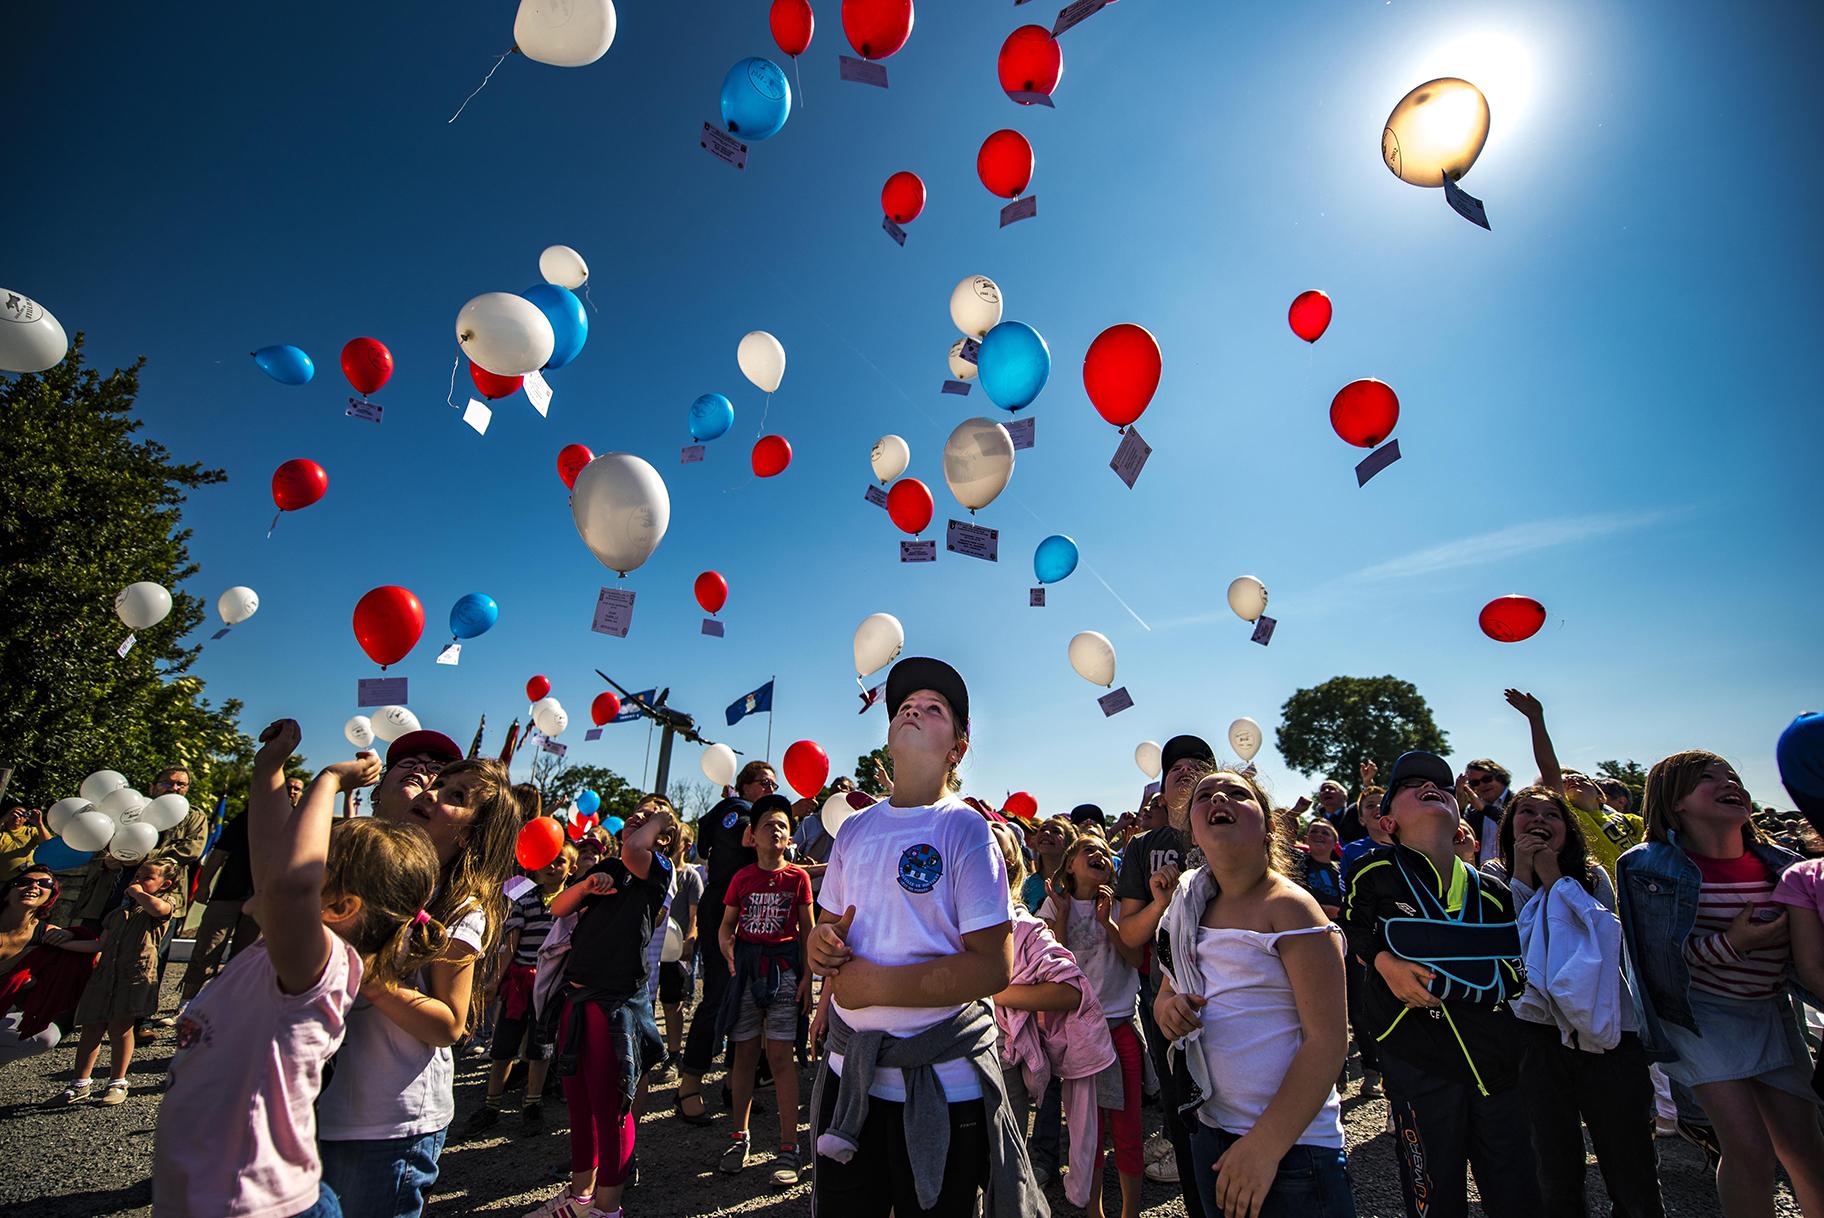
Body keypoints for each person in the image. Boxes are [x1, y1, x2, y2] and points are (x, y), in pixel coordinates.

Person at [153, 719, 446, 1218]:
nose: (422, 774)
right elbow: (275, 861)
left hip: (359, 1131)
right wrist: (269, 767)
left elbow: (286, 884)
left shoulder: (323, 952)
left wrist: (327, 780)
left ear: (336, 903)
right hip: (295, 1138)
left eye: (438, 776)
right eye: (409, 767)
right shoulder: (324, 901)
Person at [807, 657, 1042, 1218]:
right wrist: (819, 947)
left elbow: (992, 968)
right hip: (850, 1082)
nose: (914, 708)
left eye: (934, 708)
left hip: (942, 1085)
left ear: (957, 747)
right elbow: (825, 931)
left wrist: (875, 984)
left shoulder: (963, 827)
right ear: (888, 736)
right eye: (905, 706)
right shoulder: (855, 829)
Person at [316, 732, 521, 1218]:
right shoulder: (364, 871)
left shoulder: (461, 909)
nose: (432, 792)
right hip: (314, 1107)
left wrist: (367, 977)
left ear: (471, 834)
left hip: (388, 1122)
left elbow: (450, 1023)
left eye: (456, 797)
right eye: (437, 783)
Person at [1616, 751, 1824, 1218]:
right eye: (1707, 778)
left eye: (1732, 775)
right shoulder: (1648, 868)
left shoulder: (1784, 866)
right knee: (1750, 1148)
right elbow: (1653, 963)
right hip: (1699, 1017)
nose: (1730, 782)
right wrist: (1733, 943)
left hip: (1770, 1010)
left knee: (1806, 1147)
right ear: (1676, 803)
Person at [1340, 750, 1538, 1218]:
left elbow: (1516, 966)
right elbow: (1351, 929)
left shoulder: (1493, 890)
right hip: (1417, 1051)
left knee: (1517, 1188)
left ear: (1460, 820)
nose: (1430, 787)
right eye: (1409, 785)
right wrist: (1385, 961)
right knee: (1434, 1189)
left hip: (1496, 1058)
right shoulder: (1375, 872)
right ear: (1388, 823)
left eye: (1443, 787)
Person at [1154, 768, 1353, 1218]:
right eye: (1205, 795)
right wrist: (1169, 1010)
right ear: (1193, 832)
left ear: (1268, 827)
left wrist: (1264, 1147)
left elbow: (1328, 1040)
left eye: (1237, 793)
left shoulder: (1288, 906)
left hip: (1292, 1148)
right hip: (1212, 1130)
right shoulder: (1188, 906)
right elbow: (1166, 990)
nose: (1218, 797)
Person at [1484, 785, 1664, 1218]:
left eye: (1553, 815)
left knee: (1628, 1155)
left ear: (1569, 829)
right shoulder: (1490, 875)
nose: (1540, 821)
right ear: (1510, 826)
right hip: (1535, 1034)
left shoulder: (1592, 875)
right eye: (1527, 812)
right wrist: (1523, 875)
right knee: (1552, 1159)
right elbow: (1509, 941)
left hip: (1607, 1029)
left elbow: (1599, 934)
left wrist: (1552, 876)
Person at [521, 799, 675, 1218]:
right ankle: (580, 1197)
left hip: (613, 1005)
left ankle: (607, 1209)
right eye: (636, 815)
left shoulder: (656, 870)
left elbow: (635, 850)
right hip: (576, 998)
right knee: (579, 1103)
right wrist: (587, 886)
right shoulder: (604, 867)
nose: (638, 820)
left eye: (649, 819)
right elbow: (558, 907)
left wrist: (663, 818)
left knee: (612, 1108)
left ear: (662, 837)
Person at [985, 820, 1115, 1211]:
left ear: (1009, 863)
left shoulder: (1024, 929)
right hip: (938, 1061)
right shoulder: (937, 922)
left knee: (999, 1172)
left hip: (1002, 1064)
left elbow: (1071, 989)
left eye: (991, 843)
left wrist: (994, 990)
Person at [1115, 732, 1215, 1206]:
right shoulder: (1142, 848)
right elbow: (1130, 936)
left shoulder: (1232, 828)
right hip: (1167, 1003)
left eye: (1198, 762)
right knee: (1185, 1119)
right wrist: (1160, 904)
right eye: (1175, 763)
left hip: (1233, 998)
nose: (1185, 767)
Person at [1040, 833, 1146, 1218]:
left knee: (1128, 1127)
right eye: (1089, 850)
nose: (1099, 854)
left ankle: (1131, 1211)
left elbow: (1136, 959)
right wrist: (1064, 917)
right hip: (1081, 1034)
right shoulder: (1053, 908)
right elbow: (1053, 970)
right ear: (1070, 864)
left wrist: (1108, 923)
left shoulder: (1120, 906)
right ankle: (1094, 1211)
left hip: (1119, 1028)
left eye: (1105, 851)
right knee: (1088, 1132)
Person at [715, 793, 814, 1184]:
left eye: (783, 826)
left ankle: (789, 1146)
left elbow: (808, 932)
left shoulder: (798, 877)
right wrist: (726, 942)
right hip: (746, 973)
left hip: (785, 973)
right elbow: (726, 924)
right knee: (744, 1056)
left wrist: (808, 979)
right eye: (768, 824)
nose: (776, 829)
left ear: (790, 837)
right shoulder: (741, 879)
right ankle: (739, 1137)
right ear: (751, 835)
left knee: (779, 1057)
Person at [676, 760, 772, 1124]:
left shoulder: (744, 810)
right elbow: (750, 838)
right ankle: (688, 1086)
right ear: (744, 786)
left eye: (772, 785)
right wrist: (789, 814)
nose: (769, 789)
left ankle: (734, 1085)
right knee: (716, 999)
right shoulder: (736, 812)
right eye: (764, 783)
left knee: (747, 1001)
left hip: (751, 912)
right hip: (726, 912)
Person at [466, 842, 577, 1134]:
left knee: (540, 1048)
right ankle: (491, 1105)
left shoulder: (572, 904)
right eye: (548, 861)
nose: (553, 867)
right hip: (519, 983)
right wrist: (495, 980)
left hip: (551, 986)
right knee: (503, 1045)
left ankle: (532, 1105)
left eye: (560, 862)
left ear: (572, 869)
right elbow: (510, 943)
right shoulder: (525, 899)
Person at [54, 856, 180, 1106]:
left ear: (164, 884)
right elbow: (100, 943)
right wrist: (64, 942)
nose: (138, 881)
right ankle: (79, 1082)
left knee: (121, 1029)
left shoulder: (165, 903)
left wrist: (137, 892)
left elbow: (158, 910)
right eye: (136, 876)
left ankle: (117, 1082)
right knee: (92, 1026)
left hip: (134, 975)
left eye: (147, 878)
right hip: (105, 975)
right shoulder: (117, 912)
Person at [1504, 691, 1643, 873]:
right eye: (1563, 778)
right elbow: (1548, 767)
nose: (1571, 778)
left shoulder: (1629, 820)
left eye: (1580, 776)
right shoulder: (1572, 816)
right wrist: (1536, 719)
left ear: (1600, 796)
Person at [0, 865, 94, 1064]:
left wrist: (73, 934)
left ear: (50, 897)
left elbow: (98, 949)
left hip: (4, 1008)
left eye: (44, 884)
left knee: (45, 1036)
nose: (33, 886)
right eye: (24, 882)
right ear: (7, 893)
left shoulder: (48, 934)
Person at [656, 821, 702, 1076]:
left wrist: (689, 941)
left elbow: (695, 916)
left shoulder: (690, 877)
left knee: (672, 1003)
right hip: (652, 948)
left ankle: (674, 1055)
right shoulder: (657, 871)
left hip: (675, 950)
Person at [1457, 759, 1514, 866]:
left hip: (1512, 870)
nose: (1482, 785)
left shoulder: (1517, 801)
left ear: (1500, 777)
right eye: (1475, 783)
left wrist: (1485, 809)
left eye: (1487, 779)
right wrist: (1459, 807)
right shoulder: (1472, 811)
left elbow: (1513, 823)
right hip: (1483, 873)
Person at [1021, 816, 1077, 915]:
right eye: (1042, 829)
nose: (1046, 833)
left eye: (1056, 831)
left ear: (1069, 844)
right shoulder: (1026, 885)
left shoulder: (1077, 884)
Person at [1292, 819, 1343, 918]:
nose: (1319, 835)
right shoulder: (1295, 861)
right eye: (1313, 831)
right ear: (1306, 839)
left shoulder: (1343, 870)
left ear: (1335, 844)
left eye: (1325, 833)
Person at [0, 799, 49, 881]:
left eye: (22, 815)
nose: (17, 817)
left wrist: (39, 823)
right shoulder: (2, 832)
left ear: (26, 819)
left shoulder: (31, 831)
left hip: (26, 880)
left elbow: (48, 844)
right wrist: (3, 819)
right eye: (14, 813)